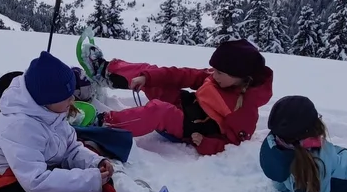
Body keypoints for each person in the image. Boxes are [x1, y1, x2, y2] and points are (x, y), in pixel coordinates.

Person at [0, 52, 124, 192]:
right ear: (48, 99)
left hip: (32, 170)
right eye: (67, 96)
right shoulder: (19, 126)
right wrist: (88, 180)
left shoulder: (50, 110)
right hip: (3, 186)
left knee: (93, 171)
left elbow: (70, 147)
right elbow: (36, 182)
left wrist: (96, 164)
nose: (72, 100)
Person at [90, 38, 272, 156]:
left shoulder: (245, 111)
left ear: (241, 77)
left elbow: (233, 145)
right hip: (185, 103)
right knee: (151, 73)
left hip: (188, 128)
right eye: (214, 70)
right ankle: (106, 71)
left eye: (219, 72)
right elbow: (183, 75)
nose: (213, 75)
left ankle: (102, 123)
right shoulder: (219, 78)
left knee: (159, 111)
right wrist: (147, 77)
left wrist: (206, 144)